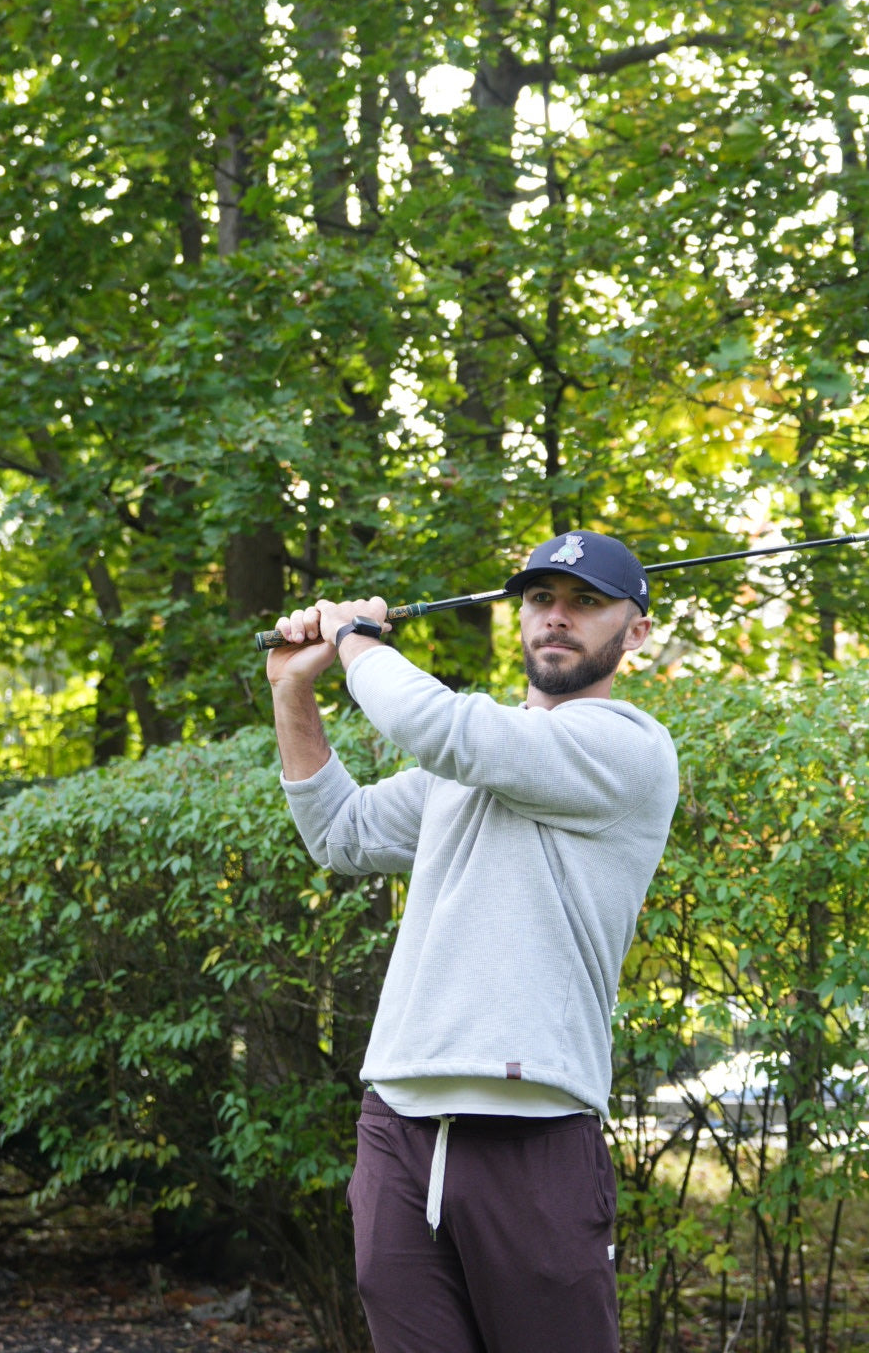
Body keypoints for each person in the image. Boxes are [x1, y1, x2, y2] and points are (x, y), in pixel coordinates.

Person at [266, 530, 679, 1353]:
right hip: (398, 1129)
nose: (556, 617)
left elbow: (450, 729)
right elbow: (342, 834)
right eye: (540, 599)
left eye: (586, 603)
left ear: (635, 632)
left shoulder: (629, 748)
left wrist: (354, 638)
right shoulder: (466, 767)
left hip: (534, 1136)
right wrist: (292, 691)